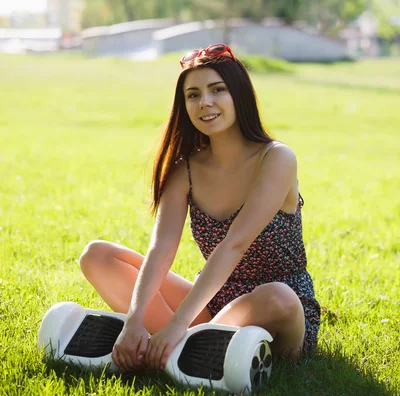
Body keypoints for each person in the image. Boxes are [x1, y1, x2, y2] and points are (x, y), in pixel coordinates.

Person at [79, 43, 321, 372]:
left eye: (217, 90)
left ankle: (183, 346)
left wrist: (177, 324)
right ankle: (184, 350)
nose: (204, 102)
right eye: (193, 95)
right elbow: (161, 248)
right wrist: (134, 320)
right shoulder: (186, 170)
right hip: (208, 302)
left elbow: (234, 244)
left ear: (239, 95)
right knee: (98, 256)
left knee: (276, 294)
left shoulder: (276, 158)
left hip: (280, 309)